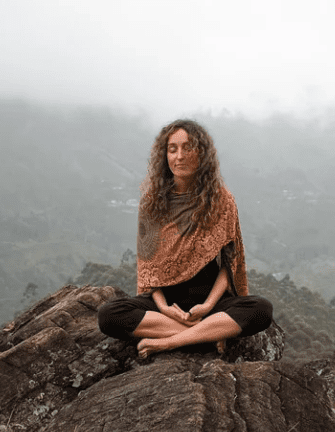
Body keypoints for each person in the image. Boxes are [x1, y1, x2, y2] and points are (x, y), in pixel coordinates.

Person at [98, 119, 273, 358]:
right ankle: (206, 335)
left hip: (209, 301)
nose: (179, 156)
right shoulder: (152, 203)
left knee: (261, 310)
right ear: (165, 155)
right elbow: (149, 270)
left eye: (187, 148)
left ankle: (170, 341)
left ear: (201, 154)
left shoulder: (221, 200)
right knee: (109, 315)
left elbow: (229, 264)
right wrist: (164, 308)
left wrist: (208, 306)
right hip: (167, 304)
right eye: (172, 149)